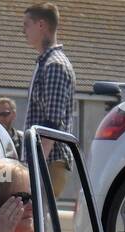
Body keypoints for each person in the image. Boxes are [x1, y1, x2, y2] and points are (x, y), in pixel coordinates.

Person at [22, 3, 76, 196]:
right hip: (44, 161)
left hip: (48, 162)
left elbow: (51, 124)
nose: (23, 30)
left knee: (40, 222)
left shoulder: (54, 65)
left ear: (41, 25)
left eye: (27, 24)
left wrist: (35, 167)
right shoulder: (45, 63)